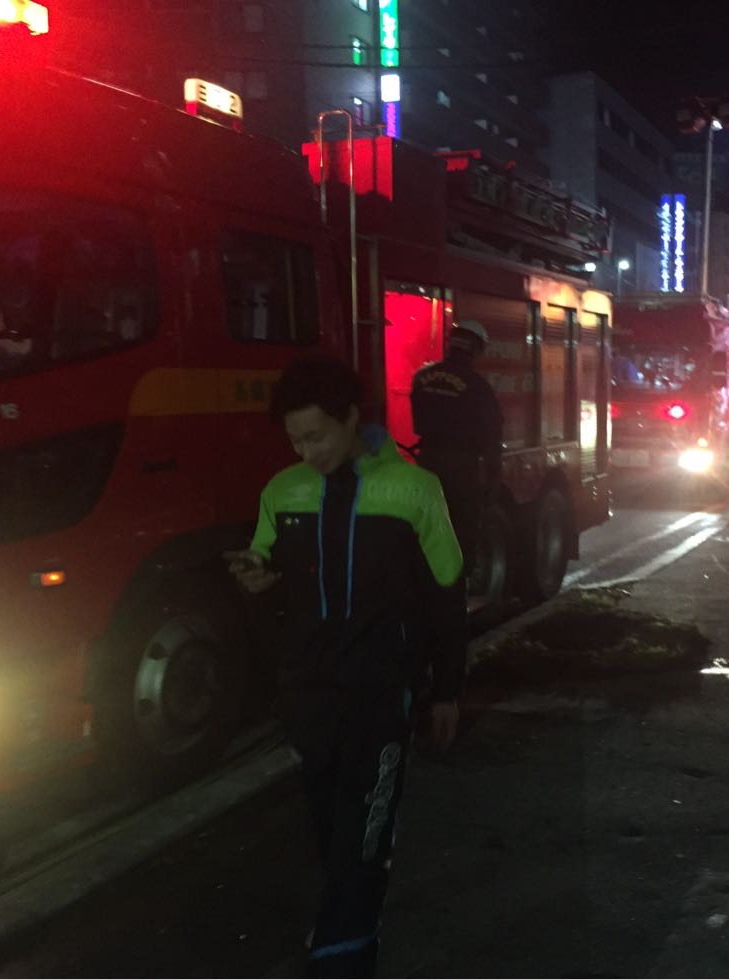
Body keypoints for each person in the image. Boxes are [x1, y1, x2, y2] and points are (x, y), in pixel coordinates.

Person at [225, 354, 466, 976]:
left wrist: (447, 689)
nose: (306, 452)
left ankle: (339, 957)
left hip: (382, 695)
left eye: (317, 436)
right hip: (309, 698)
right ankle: (345, 931)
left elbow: (446, 594)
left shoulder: (414, 490)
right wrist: (257, 583)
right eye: (295, 440)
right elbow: (270, 584)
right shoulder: (283, 492)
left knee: (365, 837)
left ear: (351, 418)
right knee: (331, 832)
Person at [410, 319, 504, 576]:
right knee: (462, 529)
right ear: (476, 348)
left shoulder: (421, 378)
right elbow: (492, 438)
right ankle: (459, 581)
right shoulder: (478, 386)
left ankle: (423, 576)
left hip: (427, 462)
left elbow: (417, 421)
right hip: (462, 468)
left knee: (426, 525)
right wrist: (493, 480)